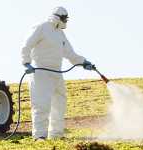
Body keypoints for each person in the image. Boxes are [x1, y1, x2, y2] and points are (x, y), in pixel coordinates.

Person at [21, 6, 95, 140]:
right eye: (64, 18)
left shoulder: (60, 33)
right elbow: (27, 45)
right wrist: (26, 62)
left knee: (59, 104)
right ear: (57, 17)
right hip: (41, 71)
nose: (65, 21)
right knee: (42, 104)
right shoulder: (41, 28)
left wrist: (83, 62)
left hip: (57, 72)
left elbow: (70, 53)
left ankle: (56, 135)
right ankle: (39, 136)